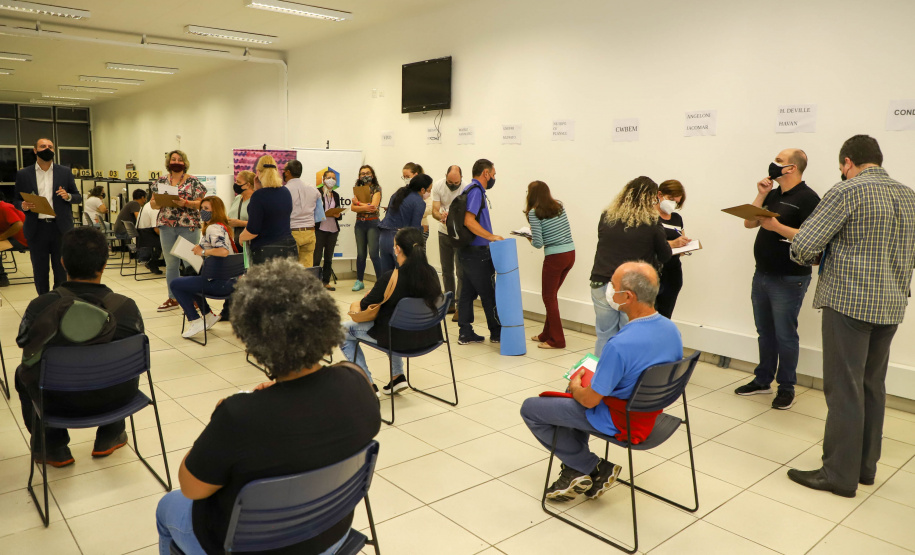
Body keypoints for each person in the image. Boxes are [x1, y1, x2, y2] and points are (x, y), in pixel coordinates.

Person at [156, 258, 380, 555]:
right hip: (333, 535)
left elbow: (192, 488)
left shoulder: (238, 416)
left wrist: (217, 424)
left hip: (249, 547)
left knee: (166, 507)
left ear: (252, 338)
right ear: (324, 317)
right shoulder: (357, 382)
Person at [787, 135, 915, 498]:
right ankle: (864, 468)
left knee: (844, 388)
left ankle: (838, 474)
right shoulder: (909, 195)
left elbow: (804, 245)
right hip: (891, 306)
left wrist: (816, 253)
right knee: (872, 385)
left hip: (849, 304)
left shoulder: (846, 192)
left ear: (847, 162)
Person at [520, 262, 682, 501]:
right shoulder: (671, 329)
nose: (608, 289)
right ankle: (576, 470)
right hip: (648, 412)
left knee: (531, 409)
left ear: (627, 296)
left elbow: (588, 401)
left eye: (612, 285)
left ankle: (593, 467)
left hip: (620, 419)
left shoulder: (620, 344)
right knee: (575, 388)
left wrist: (577, 388)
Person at [14, 226, 144, 467]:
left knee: (21, 372)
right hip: (117, 399)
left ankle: (51, 446)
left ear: (62, 263)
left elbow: (23, 342)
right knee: (124, 360)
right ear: (104, 264)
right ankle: (110, 434)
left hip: (56, 401)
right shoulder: (128, 307)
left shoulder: (40, 306)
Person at [733, 148, 820, 410]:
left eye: (779, 161)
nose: (774, 163)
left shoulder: (808, 198)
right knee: (765, 332)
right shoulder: (772, 194)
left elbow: (812, 237)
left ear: (791, 168)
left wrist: (777, 227)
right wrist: (760, 194)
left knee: (785, 335)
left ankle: (786, 388)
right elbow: (749, 223)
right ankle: (762, 380)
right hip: (762, 274)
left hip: (790, 278)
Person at [342, 227, 443, 396]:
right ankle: (397, 376)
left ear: (397, 249)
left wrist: (367, 298)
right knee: (394, 322)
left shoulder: (391, 278)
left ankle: (367, 383)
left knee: (341, 331)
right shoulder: (432, 273)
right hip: (428, 337)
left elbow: (365, 306)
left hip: (397, 340)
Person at [589, 176, 671, 355]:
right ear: (651, 199)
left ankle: (601, 379)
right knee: (630, 336)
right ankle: (627, 381)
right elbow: (665, 255)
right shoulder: (651, 222)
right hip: (632, 289)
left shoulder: (606, 217)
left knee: (604, 335)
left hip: (601, 281)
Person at [13, 138, 83, 295]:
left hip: (60, 228)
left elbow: (78, 196)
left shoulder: (64, 172)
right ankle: (43, 301)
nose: (47, 149)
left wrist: (68, 196)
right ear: (35, 150)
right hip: (37, 228)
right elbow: (16, 199)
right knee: (40, 270)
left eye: (50, 147)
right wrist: (22, 206)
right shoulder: (24, 174)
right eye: (43, 146)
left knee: (61, 270)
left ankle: (59, 300)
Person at [149, 150, 208, 312]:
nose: (176, 161)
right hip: (166, 225)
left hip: (188, 225)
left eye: (179, 159)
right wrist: (159, 202)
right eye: (173, 159)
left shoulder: (193, 181)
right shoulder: (161, 181)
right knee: (171, 264)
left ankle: (195, 297)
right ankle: (173, 298)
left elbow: (202, 202)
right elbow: (152, 204)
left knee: (190, 262)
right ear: (168, 162)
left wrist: (186, 203)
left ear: (185, 163)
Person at [172, 197, 237, 339]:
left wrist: (202, 252)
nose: (203, 211)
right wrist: (201, 248)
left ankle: (195, 320)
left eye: (207, 209)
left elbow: (223, 251)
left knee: (176, 284)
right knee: (191, 281)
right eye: (202, 208)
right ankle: (208, 315)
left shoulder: (213, 228)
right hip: (229, 282)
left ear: (216, 211)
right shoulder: (221, 226)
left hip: (219, 284)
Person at [458, 159, 503, 345]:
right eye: (493, 174)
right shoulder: (476, 191)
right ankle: (497, 333)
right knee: (488, 293)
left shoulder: (467, 189)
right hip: (477, 252)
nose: (493, 177)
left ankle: (465, 332)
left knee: (467, 292)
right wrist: (490, 236)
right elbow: (469, 220)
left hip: (466, 251)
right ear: (485, 173)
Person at [525, 181, 575, 349]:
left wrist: (528, 237)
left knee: (548, 297)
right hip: (570, 254)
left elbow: (538, 243)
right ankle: (546, 334)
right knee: (551, 296)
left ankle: (558, 340)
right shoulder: (559, 205)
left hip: (555, 257)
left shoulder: (534, 213)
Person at [239, 155, 297, 265]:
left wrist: (241, 237)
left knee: (266, 283)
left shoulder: (258, 196)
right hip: (289, 247)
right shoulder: (285, 192)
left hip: (267, 251)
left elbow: (253, 231)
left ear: (258, 173)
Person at [377, 173, 432, 275]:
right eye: (429, 190)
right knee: (403, 276)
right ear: (422, 190)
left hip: (383, 237)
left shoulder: (398, 193)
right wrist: (421, 229)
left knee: (386, 278)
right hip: (399, 240)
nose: (429, 193)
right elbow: (413, 229)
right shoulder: (419, 202)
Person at [432, 165, 465, 317]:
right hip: (443, 232)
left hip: (460, 233)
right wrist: (441, 217)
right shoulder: (438, 186)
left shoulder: (466, 188)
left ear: (461, 179)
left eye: (455, 183)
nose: (452, 186)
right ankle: (449, 304)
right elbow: (434, 210)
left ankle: (460, 306)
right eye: (449, 182)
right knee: (446, 270)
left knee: (461, 271)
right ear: (445, 176)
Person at [655, 180, 690, 319]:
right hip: (653, 270)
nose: (673, 204)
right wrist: (672, 244)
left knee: (664, 316)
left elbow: (681, 237)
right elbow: (645, 243)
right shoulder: (649, 216)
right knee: (647, 315)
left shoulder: (677, 218)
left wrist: (684, 245)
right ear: (659, 194)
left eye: (676, 202)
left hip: (672, 272)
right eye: (670, 199)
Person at [283, 160, 322, 268]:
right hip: (309, 231)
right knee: (307, 270)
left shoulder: (284, 191)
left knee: (291, 270)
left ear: (288, 172)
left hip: (292, 232)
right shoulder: (314, 190)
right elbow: (320, 215)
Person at [350, 165, 383, 292]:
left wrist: (358, 203)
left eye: (367, 173)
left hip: (373, 223)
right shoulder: (358, 189)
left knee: (374, 254)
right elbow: (353, 209)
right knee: (360, 254)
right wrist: (363, 206)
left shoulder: (376, 188)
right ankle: (359, 281)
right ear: (359, 176)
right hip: (360, 223)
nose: (365, 175)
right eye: (362, 174)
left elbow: (374, 206)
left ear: (372, 175)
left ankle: (380, 282)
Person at [315, 170, 343, 290]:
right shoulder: (317, 192)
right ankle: (315, 283)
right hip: (320, 228)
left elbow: (339, 213)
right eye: (329, 177)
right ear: (323, 179)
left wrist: (338, 214)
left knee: (328, 257)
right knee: (316, 257)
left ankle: (326, 281)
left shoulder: (336, 195)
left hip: (333, 229)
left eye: (333, 178)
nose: (331, 180)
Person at [0, 199, 28, 287]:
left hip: (24, 239)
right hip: (12, 237)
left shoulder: (5, 208)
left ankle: (2, 278)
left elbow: (18, 224)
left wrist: (2, 237)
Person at [227, 170, 255, 250]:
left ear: (248, 185)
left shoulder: (256, 200)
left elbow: (261, 223)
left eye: (238, 182)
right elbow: (231, 215)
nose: (235, 184)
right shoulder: (237, 198)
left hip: (249, 243)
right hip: (234, 243)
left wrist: (241, 223)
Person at [136, 197, 163, 274]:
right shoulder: (155, 208)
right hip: (147, 236)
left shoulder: (147, 204)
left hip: (142, 234)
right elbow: (156, 229)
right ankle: (153, 262)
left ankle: (154, 262)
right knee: (169, 240)